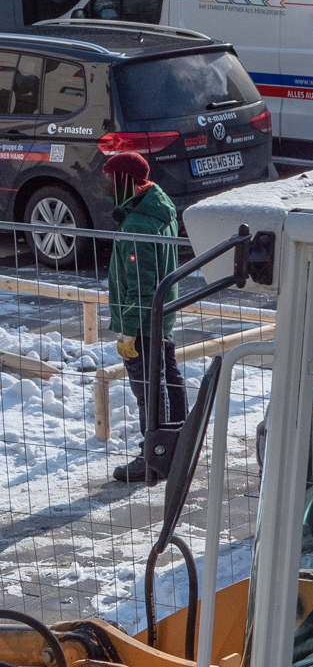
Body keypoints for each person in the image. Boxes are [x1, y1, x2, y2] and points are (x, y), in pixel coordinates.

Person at [105, 151, 186, 483]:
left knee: (148, 390)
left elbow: (139, 287)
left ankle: (154, 456)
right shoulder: (159, 206)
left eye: (111, 180)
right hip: (161, 315)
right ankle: (178, 445)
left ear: (126, 181)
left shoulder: (137, 225)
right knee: (168, 379)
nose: (107, 186)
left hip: (141, 322)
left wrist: (127, 331)